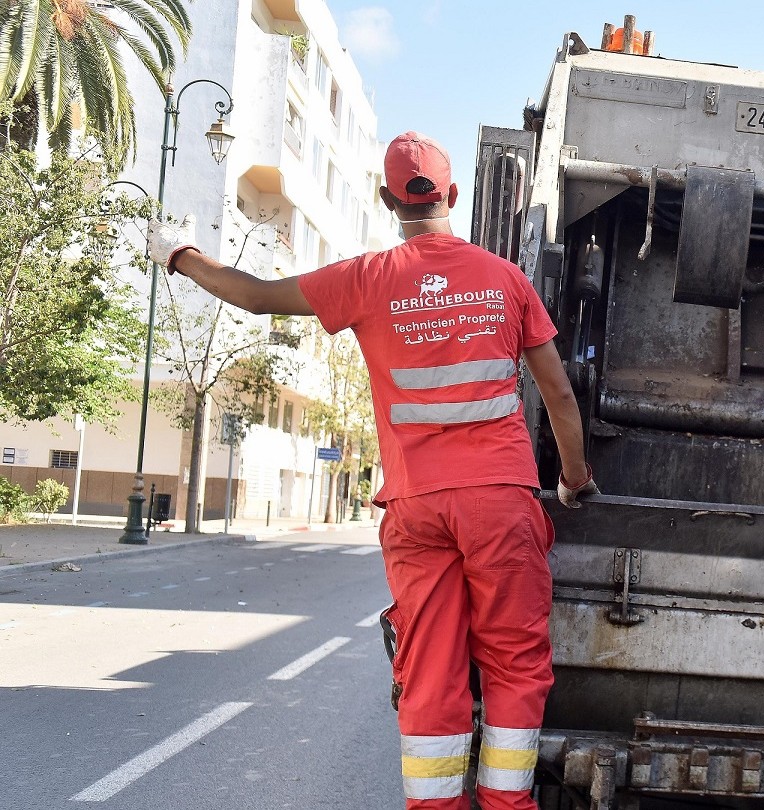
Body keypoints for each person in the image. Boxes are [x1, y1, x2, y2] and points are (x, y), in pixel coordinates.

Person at [147, 131, 600, 810]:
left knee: (431, 669)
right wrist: (572, 477)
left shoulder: (367, 279)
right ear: (452, 195)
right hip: (499, 503)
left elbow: (258, 296)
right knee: (514, 663)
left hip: (416, 508)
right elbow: (559, 395)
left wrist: (179, 256)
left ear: (388, 199)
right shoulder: (506, 279)